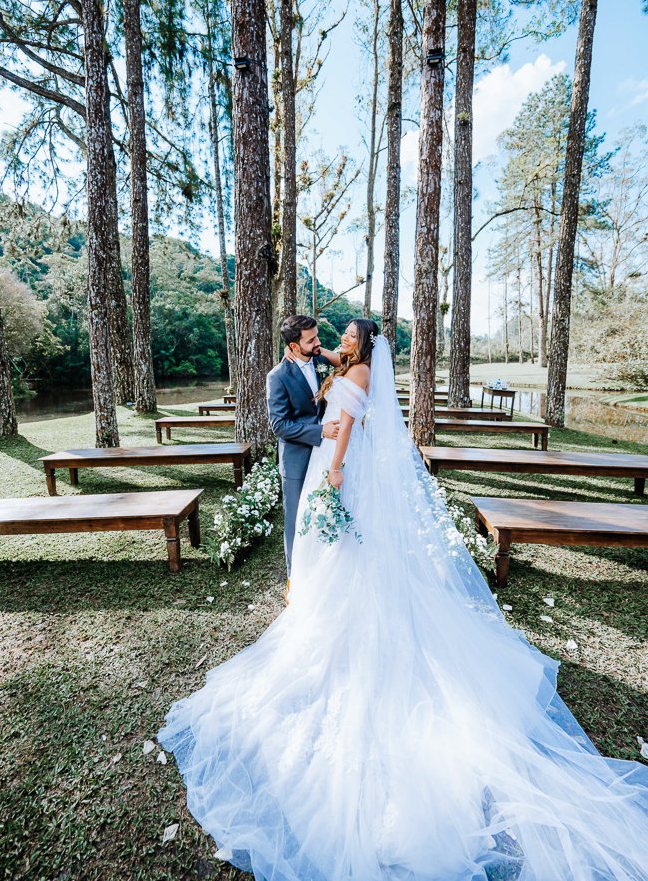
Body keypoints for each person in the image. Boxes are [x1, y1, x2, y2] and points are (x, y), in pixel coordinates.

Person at [159, 320, 648, 881]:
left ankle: (327, 610)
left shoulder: (356, 369)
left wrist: (337, 463)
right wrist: (329, 443)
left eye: (343, 336)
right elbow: (306, 418)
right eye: (326, 336)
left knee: (344, 549)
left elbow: (345, 426)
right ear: (299, 343)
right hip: (324, 461)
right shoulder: (328, 368)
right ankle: (312, 598)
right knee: (331, 548)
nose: (334, 342)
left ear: (361, 345)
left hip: (340, 466)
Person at [265, 315, 341, 596]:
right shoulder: (278, 377)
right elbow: (280, 425)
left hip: (328, 457)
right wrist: (319, 431)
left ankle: (324, 574)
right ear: (294, 347)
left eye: (317, 336)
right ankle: (294, 581)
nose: (318, 342)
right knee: (296, 520)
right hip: (297, 460)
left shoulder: (322, 362)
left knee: (326, 514)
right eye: (311, 340)